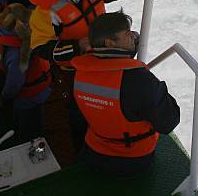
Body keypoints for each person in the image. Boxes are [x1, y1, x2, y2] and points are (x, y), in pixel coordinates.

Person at [72, 11, 179, 177]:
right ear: (110, 42)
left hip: (94, 151)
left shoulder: (80, 73)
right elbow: (168, 122)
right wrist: (158, 89)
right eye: (127, 34)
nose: (134, 37)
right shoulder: (138, 80)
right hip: (132, 160)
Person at [28, 0, 159, 68]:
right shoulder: (44, 13)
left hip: (102, 53)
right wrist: (77, 46)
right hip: (73, 66)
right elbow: (41, 48)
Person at [0, 4, 51, 143]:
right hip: (34, 95)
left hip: (28, 97)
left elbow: (14, 81)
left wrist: (5, 96)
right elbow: (16, 80)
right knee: (34, 126)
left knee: (29, 128)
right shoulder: (24, 48)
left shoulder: (11, 48)